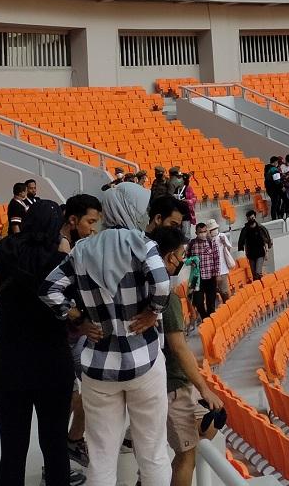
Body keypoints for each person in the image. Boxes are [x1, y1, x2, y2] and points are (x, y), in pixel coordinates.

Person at [41, 189, 173, 486]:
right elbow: (163, 284)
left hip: (98, 366)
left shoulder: (81, 249)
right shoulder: (142, 244)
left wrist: (78, 318)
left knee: (101, 458)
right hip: (144, 361)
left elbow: (48, 290)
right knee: (152, 453)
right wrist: (153, 312)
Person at [0, 201, 81, 486]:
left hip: (9, 359)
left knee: (12, 450)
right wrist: (64, 248)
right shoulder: (60, 260)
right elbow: (72, 305)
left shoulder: (4, 251)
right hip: (51, 360)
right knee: (54, 445)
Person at [156, 225, 225, 486]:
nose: (183, 260)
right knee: (186, 456)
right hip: (173, 386)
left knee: (202, 434)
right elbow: (178, 346)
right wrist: (204, 388)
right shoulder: (167, 297)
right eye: (181, 254)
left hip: (172, 383)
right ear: (168, 256)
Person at [189, 220, 221, 319]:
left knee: (211, 302)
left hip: (210, 276)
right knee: (198, 302)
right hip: (197, 278)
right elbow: (187, 257)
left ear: (207, 231)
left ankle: (210, 322)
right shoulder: (192, 243)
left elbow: (217, 258)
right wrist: (191, 261)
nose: (203, 234)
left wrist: (218, 274)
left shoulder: (211, 242)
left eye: (204, 231)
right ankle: (204, 317)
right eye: (200, 232)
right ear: (196, 233)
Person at [237, 210, 272, 280]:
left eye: (252, 217)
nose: (251, 219)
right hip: (251, 254)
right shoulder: (245, 230)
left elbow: (265, 240)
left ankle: (261, 285)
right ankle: (258, 287)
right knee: (254, 274)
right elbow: (241, 241)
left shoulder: (260, 228)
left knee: (258, 272)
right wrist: (241, 249)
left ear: (255, 217)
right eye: (249, 218)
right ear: (247, 219)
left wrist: (266, 252)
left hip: (260, 253)